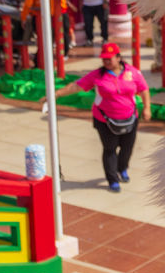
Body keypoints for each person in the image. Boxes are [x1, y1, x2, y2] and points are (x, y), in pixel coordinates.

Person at [50, 42, 151, 192]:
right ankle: (112, 179)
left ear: (118, 57)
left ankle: (122, 168)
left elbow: (143, 89)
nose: (106, 62)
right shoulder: (97, 75)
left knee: (127, 148)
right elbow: (77, 86)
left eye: (109, 58)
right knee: (110, 148)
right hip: (105, 120)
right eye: (104, 59)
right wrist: (56, 94)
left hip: (130, 117)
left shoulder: (133, 72)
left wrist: (147, 108)